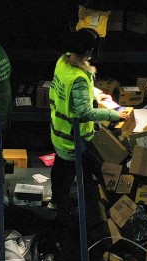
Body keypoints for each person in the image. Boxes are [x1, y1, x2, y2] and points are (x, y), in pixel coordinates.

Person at [48, 28, 131, 216]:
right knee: (78, 175)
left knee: (60, 171)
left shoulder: (63, 62)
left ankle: (56, 202)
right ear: (90, 51)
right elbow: (84, 112)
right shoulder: (78, 77)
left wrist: (96, 93)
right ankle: (71, 215)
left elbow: (75, 89)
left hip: (58, 131)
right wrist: (116, 115)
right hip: (73, 138)